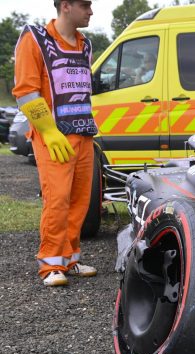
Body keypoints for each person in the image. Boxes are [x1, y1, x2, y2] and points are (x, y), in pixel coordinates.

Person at [13, 0, 98, 286]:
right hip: (54, 136)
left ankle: (69, 259)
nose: (91, 12)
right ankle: (50, 265)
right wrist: (48, 130)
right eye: (85, 5)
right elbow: (25, 90)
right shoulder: (35, 39)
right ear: (65, 6)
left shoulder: (85, 45)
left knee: (79, 201)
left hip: (83, 133)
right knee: (58, 199)